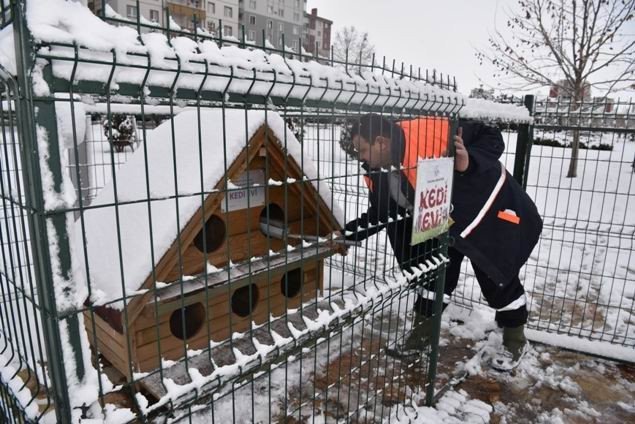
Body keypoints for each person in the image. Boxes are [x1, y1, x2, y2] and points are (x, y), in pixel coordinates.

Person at [338, 113, 543, 370]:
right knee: (434, 277)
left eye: (362, 150)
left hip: (489, 213)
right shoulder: (379, 171)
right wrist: (348, 235)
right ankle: (422, 335)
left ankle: (515, 338)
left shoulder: (431, 130)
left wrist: (469, 161)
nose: (361, 158)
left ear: (381, 141)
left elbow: (492, 136)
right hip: (444, 223)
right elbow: (382, 212)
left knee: (496, 278)